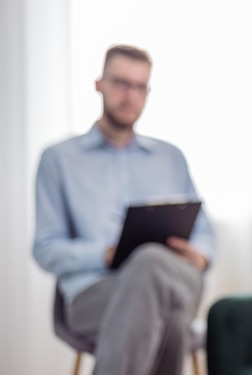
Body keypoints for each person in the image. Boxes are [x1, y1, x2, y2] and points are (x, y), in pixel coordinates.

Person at [33, 44, 216, 375]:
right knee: (167, 310)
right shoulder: (58, 159)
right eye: (120, 83)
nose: (130, 95)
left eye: (139, 86)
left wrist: (197, 255)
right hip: (94, 294)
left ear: (147, 92)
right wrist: (105, 254)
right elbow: (46, 249)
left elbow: (204, 234)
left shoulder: (171, 157)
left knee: (151, 264)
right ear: (99, 84)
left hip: (176, 278)